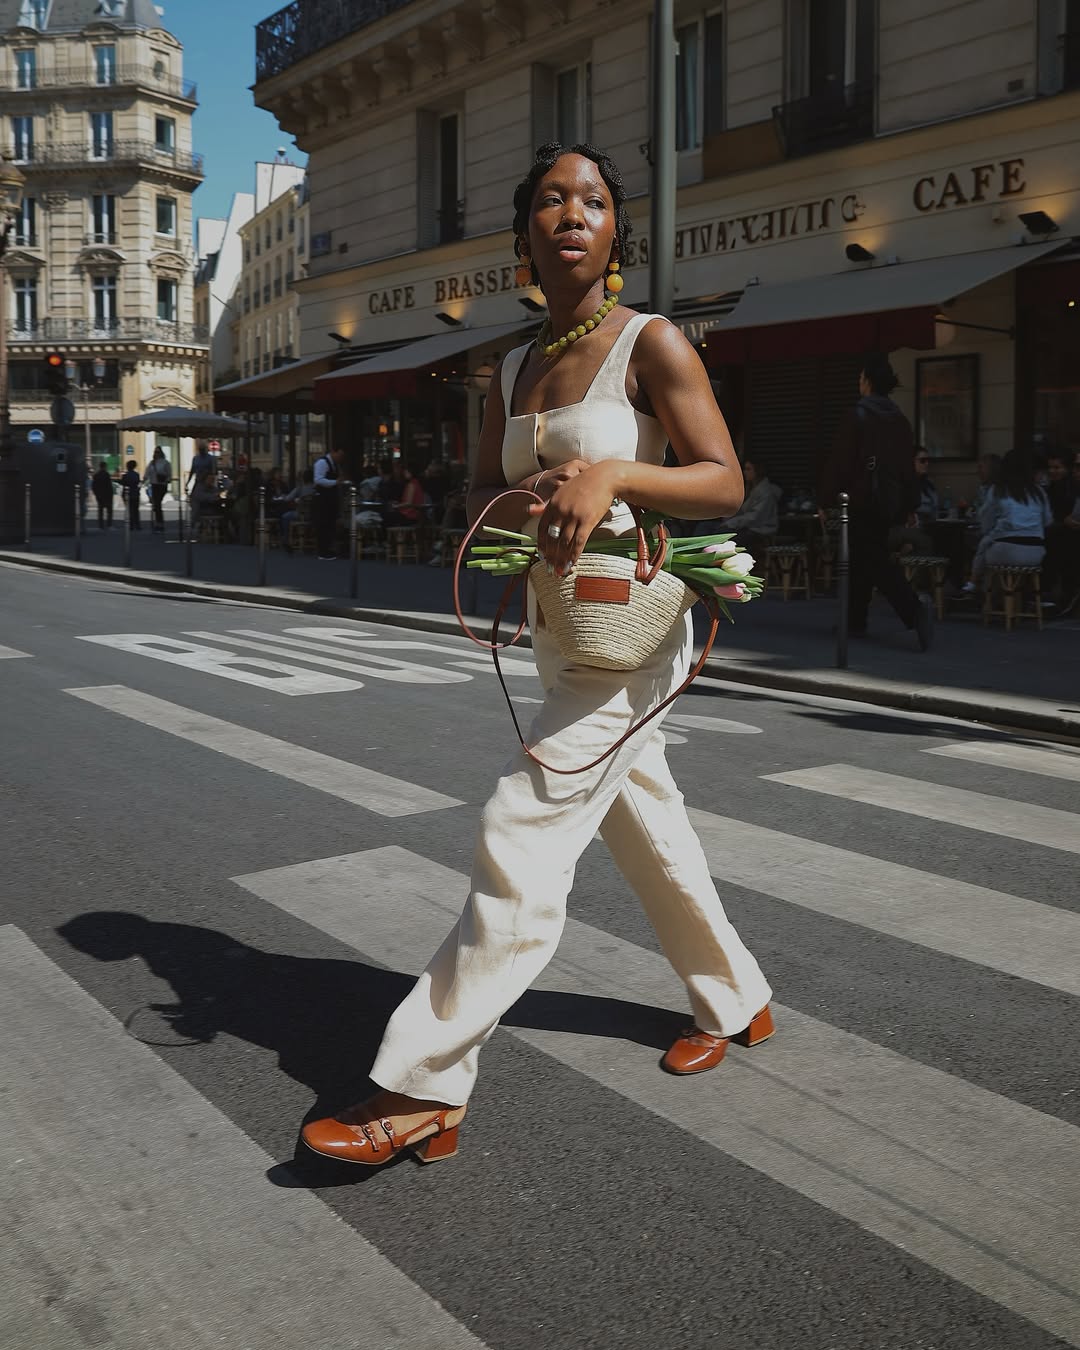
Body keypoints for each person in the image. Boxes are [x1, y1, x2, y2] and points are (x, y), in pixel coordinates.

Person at [300, 141, 773, 1170]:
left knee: (523, 825)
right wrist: (517, 507)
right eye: (552, 200)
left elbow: (725, 481)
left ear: (615, 235)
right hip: (560, 623)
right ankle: (738, 1000)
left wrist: (612, 475)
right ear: (525, 234)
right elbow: (480, 490)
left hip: (634, 623)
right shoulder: (511, 364)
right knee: (647, 821)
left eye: (593, 201)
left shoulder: (651, 343)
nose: (572, 212)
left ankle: (421, 1083)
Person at [819, 353, 932, 648]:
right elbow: (907, 468)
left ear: (867, 382)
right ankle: (855, 621)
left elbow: (840, 463)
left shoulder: (858, 416)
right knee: (862, 559)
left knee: (873, 560)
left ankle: (914, 611)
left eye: (860, 377)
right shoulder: (900, 420)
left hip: (860, 500)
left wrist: (825, 498)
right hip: (889, 502)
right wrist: (909, 505)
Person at [967, 448, 1052, 589]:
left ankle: (976, 586)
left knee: (985, 545)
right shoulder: (1039, 492)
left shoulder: (997, 489)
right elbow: (1047, 521)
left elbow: (986, 521)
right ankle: (1015, 596)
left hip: (1004, 551)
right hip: (1035, 554)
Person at [695, 455, 779, 555]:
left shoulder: (766, 492)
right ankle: (695, 552)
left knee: (722, 535)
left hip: (758, 529)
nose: (745, 472)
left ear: (758, 470)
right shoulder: (750, 489)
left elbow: (754, 517)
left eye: (748, 469)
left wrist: (732, 523)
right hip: (743, 525)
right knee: (705, 526)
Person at [313, 447, 346, 558]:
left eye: (342, 456)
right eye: (339, 455)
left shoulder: (335, 465)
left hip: (331, 497)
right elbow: (318, 479)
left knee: (330, 523)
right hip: (322, 497)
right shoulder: (322, 462)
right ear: (333, 452)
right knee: (323, 523)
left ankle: (328, 549)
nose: (340, 458)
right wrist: (335, 482)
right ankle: (322, 551)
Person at [279, 468, 315, 550]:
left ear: (303, 478)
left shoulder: (300, 488)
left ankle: (286, 539)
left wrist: (283, 496)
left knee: (285, 516)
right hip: (314, 515)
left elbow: (287, 499)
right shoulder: (316, 489)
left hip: (301, 515)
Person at [144, 447, 171, 533]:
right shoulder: (152, 463)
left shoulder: (165, 463)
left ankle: (159, 524)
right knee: (156, 505)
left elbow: (169, 474)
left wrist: (166, 479)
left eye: (158, 452)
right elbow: (147, 473)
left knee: (157, 503)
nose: (156, 453)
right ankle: (158, 523)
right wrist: (144, 480)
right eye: (155, 452)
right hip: (154, 485)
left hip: (162, 485)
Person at [91, 460, 114, 531]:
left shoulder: (96, 475)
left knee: (100, 510)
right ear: (105, 467)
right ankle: (109, 525)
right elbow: (109, 486)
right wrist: (111, 494)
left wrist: (96, 493)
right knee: (109, 510)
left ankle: (101, 525)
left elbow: (93, 486)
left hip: (99, 495)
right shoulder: (106, 474)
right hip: (107, 495)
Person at [119, 459, 141, 530]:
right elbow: (137, 483)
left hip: (127, 493)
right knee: (136, 510)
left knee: (129, 509)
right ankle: (137, 525)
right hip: (135, 493)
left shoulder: (125, 475)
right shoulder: (137, 475)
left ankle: (131, 525)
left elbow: (123, 483)